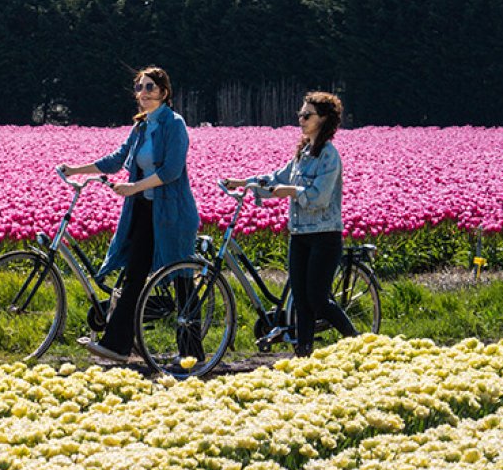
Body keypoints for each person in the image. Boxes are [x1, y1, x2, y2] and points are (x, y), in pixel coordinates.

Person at [59, 66, 198, 362]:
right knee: (134, 276)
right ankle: (118, 345)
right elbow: (115, 160)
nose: (143, 93)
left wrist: (135, 186)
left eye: (149, 87)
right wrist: (76, 169)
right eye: (139, 88)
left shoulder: (174, 125)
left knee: (182, 278)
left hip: (172, 213)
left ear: (163, 92)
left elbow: (171, 171)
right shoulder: (141, 127)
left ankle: (193, 352)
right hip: (144, 212)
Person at [223, 91, 356, 357]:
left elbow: (319, 197)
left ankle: (359, 342)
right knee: (302, 301)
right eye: (300, 114)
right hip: (299, 234)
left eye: (307, 115)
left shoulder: (329, 156)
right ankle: (303, 355)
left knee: (318, 299)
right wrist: (244, 183)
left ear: (324, 119)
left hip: (324, 234)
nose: (301, 119)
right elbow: (275, 178)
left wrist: (292, 191)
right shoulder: (302, 153)